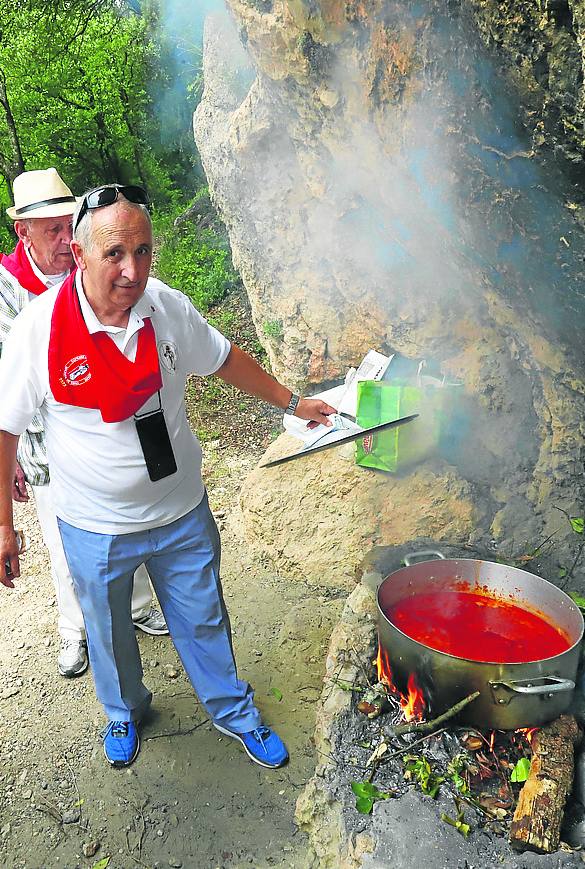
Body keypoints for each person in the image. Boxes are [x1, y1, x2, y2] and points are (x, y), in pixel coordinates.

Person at [0, 183, 336, 769]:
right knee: (108, 637)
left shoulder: (167, 306)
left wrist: (290, 401)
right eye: (114, 255)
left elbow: (224, 357)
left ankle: (234, 711)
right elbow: (5, 429)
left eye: (144, 251)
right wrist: (4, 526)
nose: (132, 271)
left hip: (181, 510)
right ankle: (124, 714)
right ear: (79, 256)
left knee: (205, 616)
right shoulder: (37, 331)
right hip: (94, 525)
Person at [0, 169, 168, 679]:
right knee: (63, 541)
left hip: (120, 423)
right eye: (47, 228)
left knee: (133, 519)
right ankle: (75, 630)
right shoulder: (7, 291)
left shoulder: (93, 259)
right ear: (21, 233)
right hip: (46, 445)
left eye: (63, 223)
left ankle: (138, 605)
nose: (60, 236)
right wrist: (10, 463)